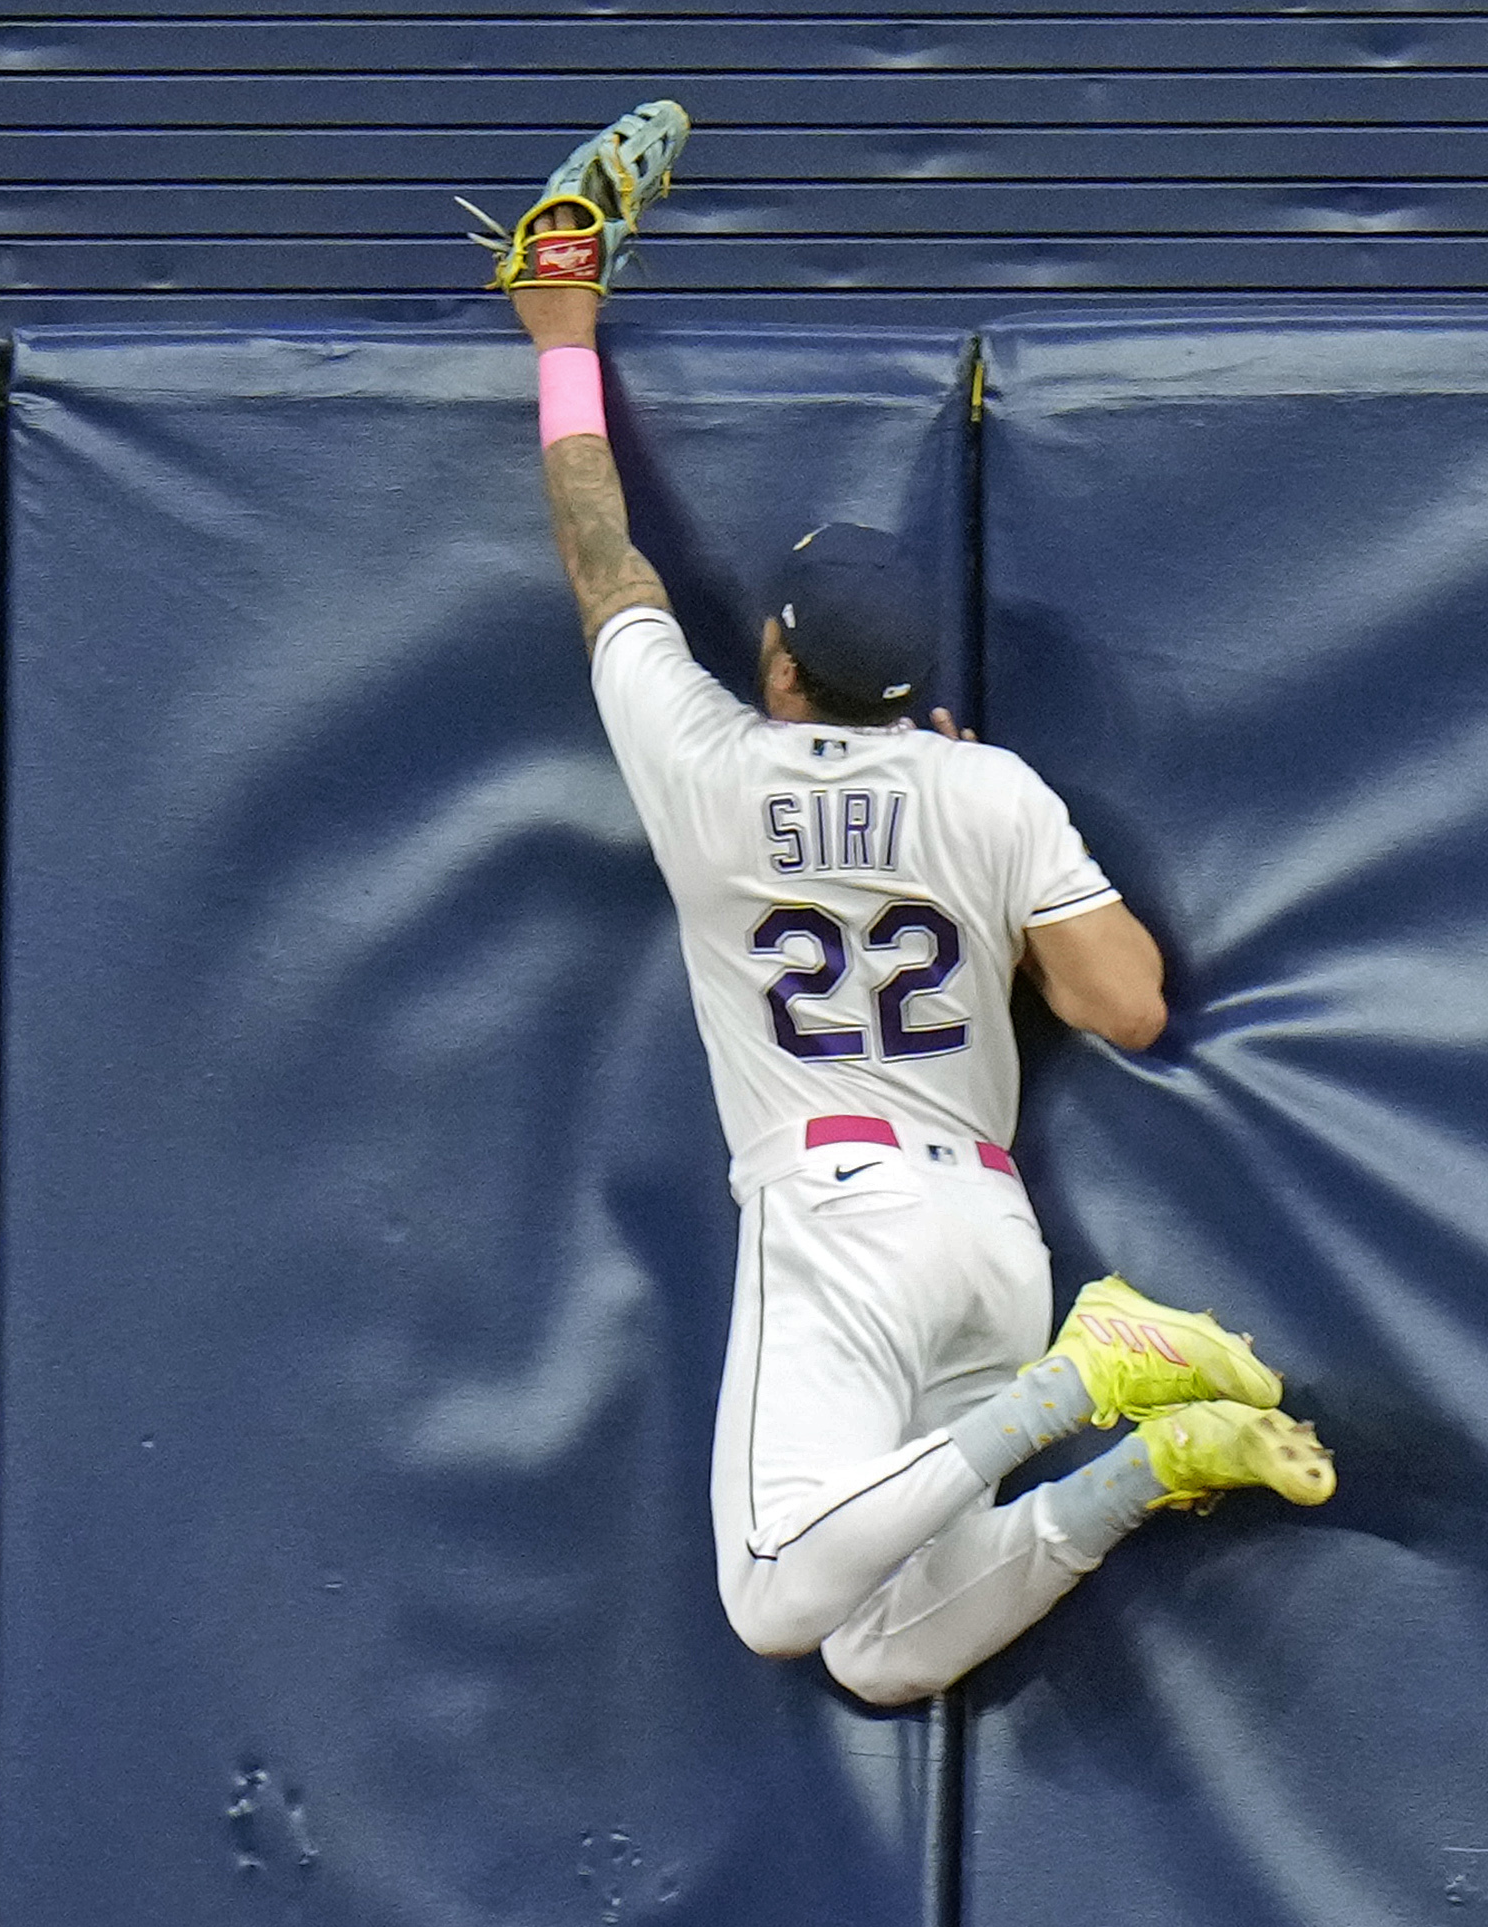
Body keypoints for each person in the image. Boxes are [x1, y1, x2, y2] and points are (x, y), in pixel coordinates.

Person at [497, 183, 1334, 1709]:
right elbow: (1129, 1007)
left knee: (768, 1600)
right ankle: (1156, 1459)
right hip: (986, 1229)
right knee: (878, 1659)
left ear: (782, 659)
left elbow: (604, 560)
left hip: (839, 1211)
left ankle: (1091, 1381)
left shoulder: (706, 767)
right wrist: (977, 891)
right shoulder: (988, 786)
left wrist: (563, 336)